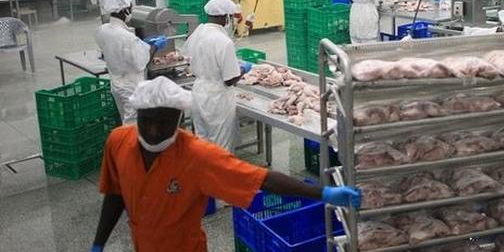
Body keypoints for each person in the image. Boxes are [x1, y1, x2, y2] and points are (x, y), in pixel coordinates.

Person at [90, 76, 360, 252]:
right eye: (146, 120)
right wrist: (99, 243)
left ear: (180, 118)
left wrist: (323, 193)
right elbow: (115, 193)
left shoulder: (197, 156)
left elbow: (262, 178)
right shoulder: (118, 141)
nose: (152, 131)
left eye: (163, 122)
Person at [182, 0, 251, 152]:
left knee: (202, 142)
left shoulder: (198, 33)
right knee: (221, 147)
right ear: (224, 16)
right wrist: (243, 70)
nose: (231, 20)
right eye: (231, 16)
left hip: (199, 91)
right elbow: (229, 80)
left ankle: (203, 175)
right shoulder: (223, 41)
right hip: (217, 98)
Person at [94, 0, 166, 124]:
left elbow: (116, 49)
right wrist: (155, 46)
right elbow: (141, 62)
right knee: (133, 124)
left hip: (116, 83)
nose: (131, 11)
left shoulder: (102, 30)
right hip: (131, 86)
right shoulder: (127, 37)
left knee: (124, 119)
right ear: (124, 11)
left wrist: (142, 45)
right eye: (130, 8)